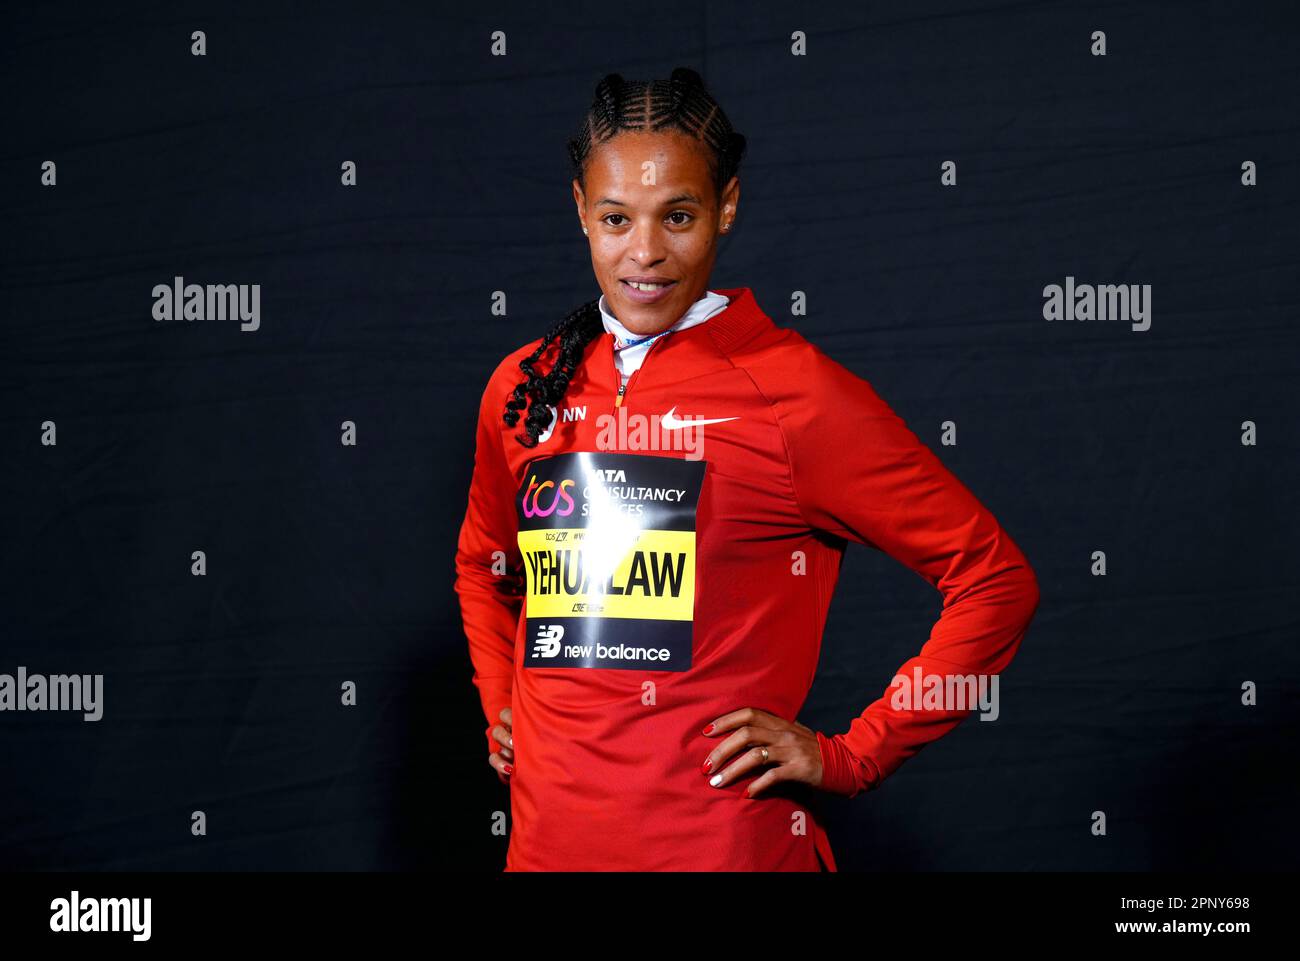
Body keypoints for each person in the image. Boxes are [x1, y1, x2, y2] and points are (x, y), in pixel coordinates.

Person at [454, 67, 1040, 871]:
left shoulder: (795, 396)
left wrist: (853, 753)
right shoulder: (527, 385)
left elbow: (995, 578)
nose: (646, 252)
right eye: (617, 218)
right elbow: (484, 566)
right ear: (582, 212)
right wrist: (502, 701)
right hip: (547, 850)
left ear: (727, 207)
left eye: (680, 216)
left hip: (724, 851)